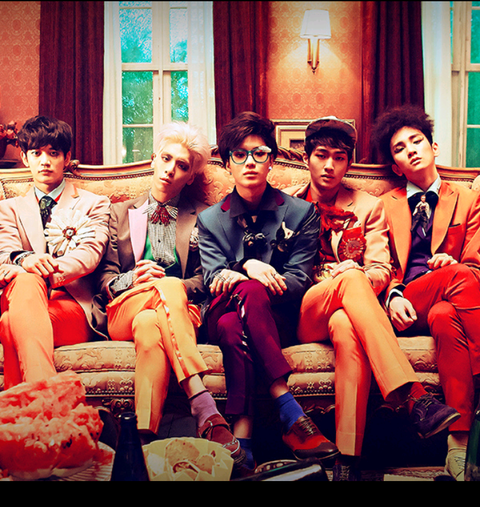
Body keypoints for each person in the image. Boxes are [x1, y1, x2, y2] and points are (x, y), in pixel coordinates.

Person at [292, 116, 458, 480]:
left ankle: (347, 462)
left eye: (339, 158)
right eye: (322, 155)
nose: (330, 165)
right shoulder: (285, 204)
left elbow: (381, 268)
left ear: (349, 163)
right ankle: (412, 394)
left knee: (347, 325)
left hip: (350, 306)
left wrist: (357, 274)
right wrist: (342, 276)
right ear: (307, 158)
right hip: (306, 312)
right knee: (351, 278)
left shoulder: (368, 205)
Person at [197, 111, 338, 472]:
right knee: (241, 295)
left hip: (276, 319)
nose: (250, 162)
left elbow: (298, 281)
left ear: (271, 160)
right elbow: (213, 278)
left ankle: (242, 443)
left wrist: (244, 275)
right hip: (221, 308)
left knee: (233, 325)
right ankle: (288, 408)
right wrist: (248, 266)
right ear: (227, 163)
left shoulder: (301, 212)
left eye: (259, 153)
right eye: (239, 154)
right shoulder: (210, 219)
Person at [96, 121, 244, 466]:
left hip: (181, 311)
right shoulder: (119, 212)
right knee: (153, 300)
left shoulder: (203, 217)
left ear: (190, 176)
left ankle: (142, 441)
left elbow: (205, 278)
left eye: (181, 165)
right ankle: (202, 404)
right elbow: (105, 278)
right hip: (125, 307)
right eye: (166, 159)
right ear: (153, 159)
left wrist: (172, 285)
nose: (170, 170)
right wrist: (132, 278)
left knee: (151, 322)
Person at [372, 104, 480, 480]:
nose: (411, 150)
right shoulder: (384, 205)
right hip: (404, 302)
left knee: (445, 316)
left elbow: (475, 264)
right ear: (396, 167)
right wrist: (392, 295)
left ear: (434, 147)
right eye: (400, 149)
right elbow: (379, 263)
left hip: (451, 298)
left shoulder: (467, 198)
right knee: (458, 278)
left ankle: (458, 447)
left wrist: (453, 262)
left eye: (416, 141)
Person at [0, 115, 110, 388]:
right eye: (36, 153)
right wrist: (26, 260)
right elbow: (4, 255)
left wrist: (41, 269)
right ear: (25, 158)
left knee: (9, 324)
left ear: (67, 157)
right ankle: (46, 401)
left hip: (72, 306)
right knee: (26, 281)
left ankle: (30, 407)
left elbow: (90, 253)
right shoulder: (8, 209)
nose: (45, 161)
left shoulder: (94, 203)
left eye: (53, 153)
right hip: (22, 295)